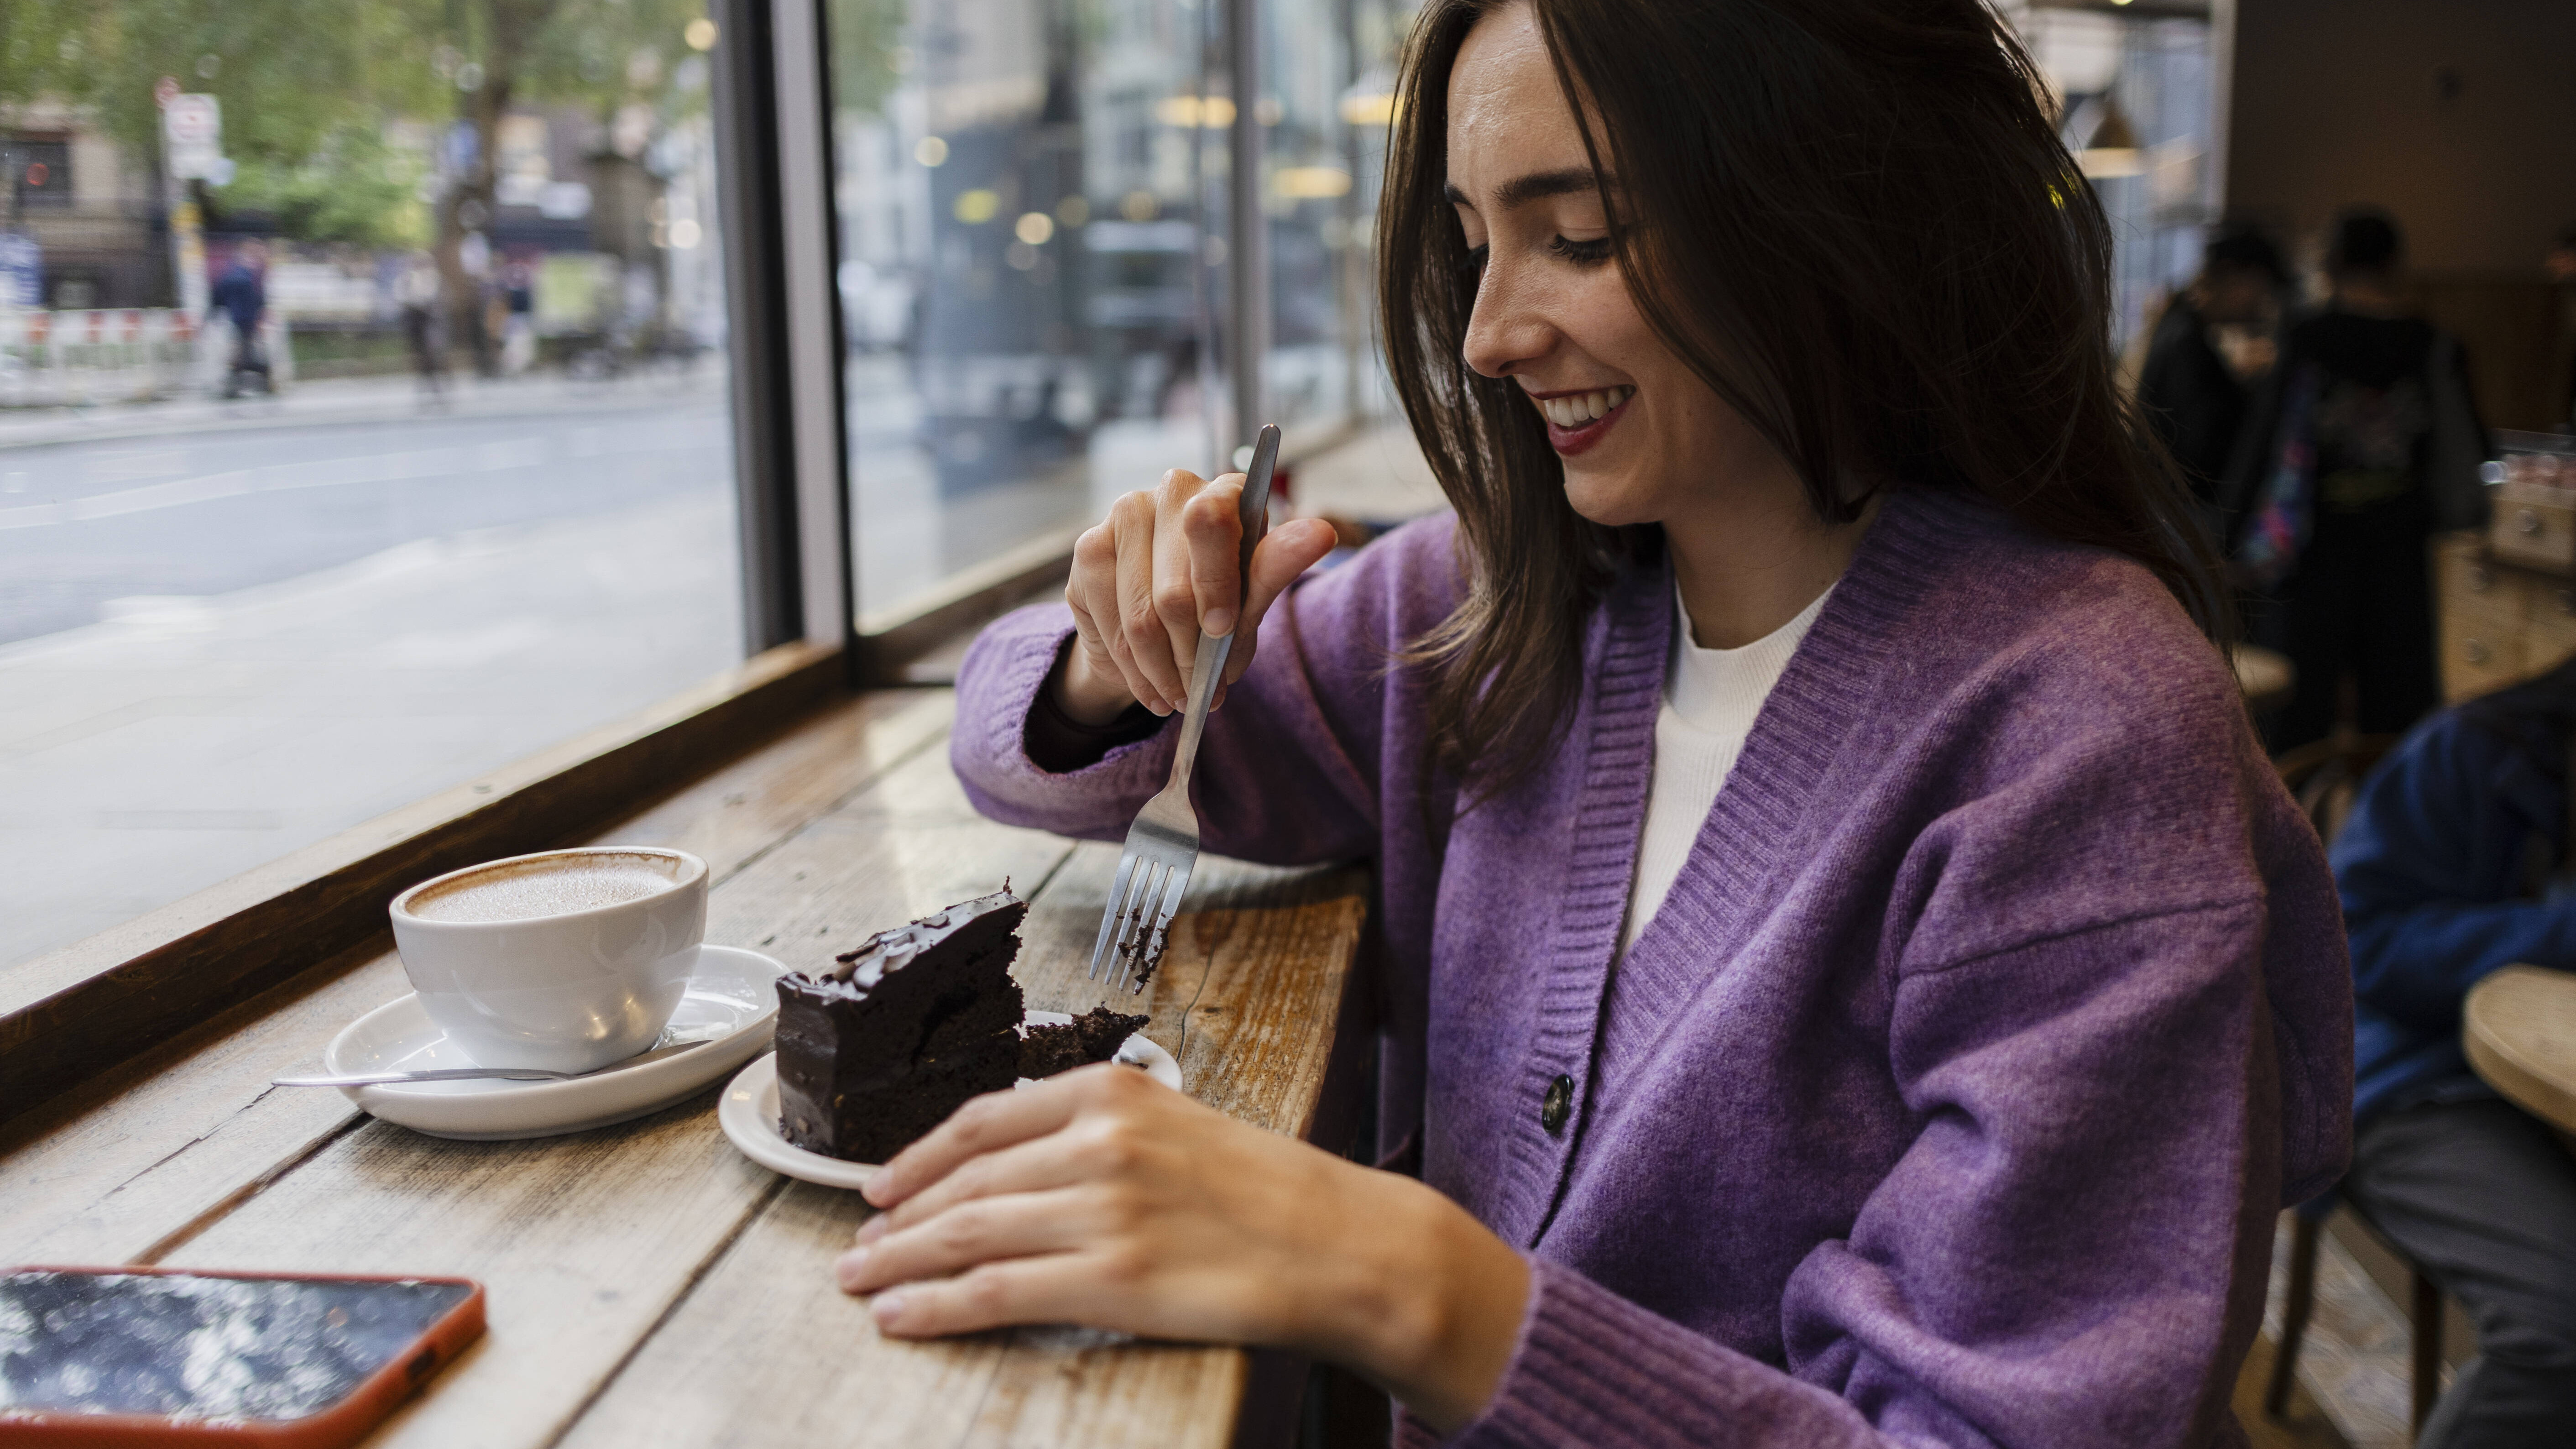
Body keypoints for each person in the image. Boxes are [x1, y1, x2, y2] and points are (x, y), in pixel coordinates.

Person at [840, 2, 2354, 1444]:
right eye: (1471, 246)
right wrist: (1122, 646)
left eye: (1577, 236)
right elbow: (1027, 744)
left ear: (1829, 209)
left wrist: (1395, 1269)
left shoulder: (2082, 738)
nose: (1487, 335)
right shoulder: (1507, 599)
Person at [2329, 658, 2576, 1446]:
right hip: (2422, 1083)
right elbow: (2356, 946)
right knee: (2560, 1330)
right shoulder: (2476, 748)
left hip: (2552, 1093)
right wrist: (2557, 935)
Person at [2229, 209, 2489, 755]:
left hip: (2309, 551)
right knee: (2394, 717)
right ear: (2394, 264)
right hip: (2399, 550)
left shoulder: (2306, 338)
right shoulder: (2432, 344)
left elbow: (2262, 446)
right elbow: (2470, 452)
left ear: (2332, 262)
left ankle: (2295, 808)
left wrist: (2227, 535)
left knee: (2295, 716)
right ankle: (2382, 811)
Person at [2137, 223, 2287, 521]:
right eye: (2261, 290)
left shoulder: (2180, 328)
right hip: (2183, 514)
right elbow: (2201, 446)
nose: (2262, 305)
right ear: (2234, 278)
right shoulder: (2186, 343)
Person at [207, 240, 272, 399]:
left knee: (241, 353)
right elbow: (257, 300)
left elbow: (218, 297)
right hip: (245, 320)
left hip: (233, 319)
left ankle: (237, 385)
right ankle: (261, 377)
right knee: (244, 353)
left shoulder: (230, 273)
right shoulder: (249, 276)